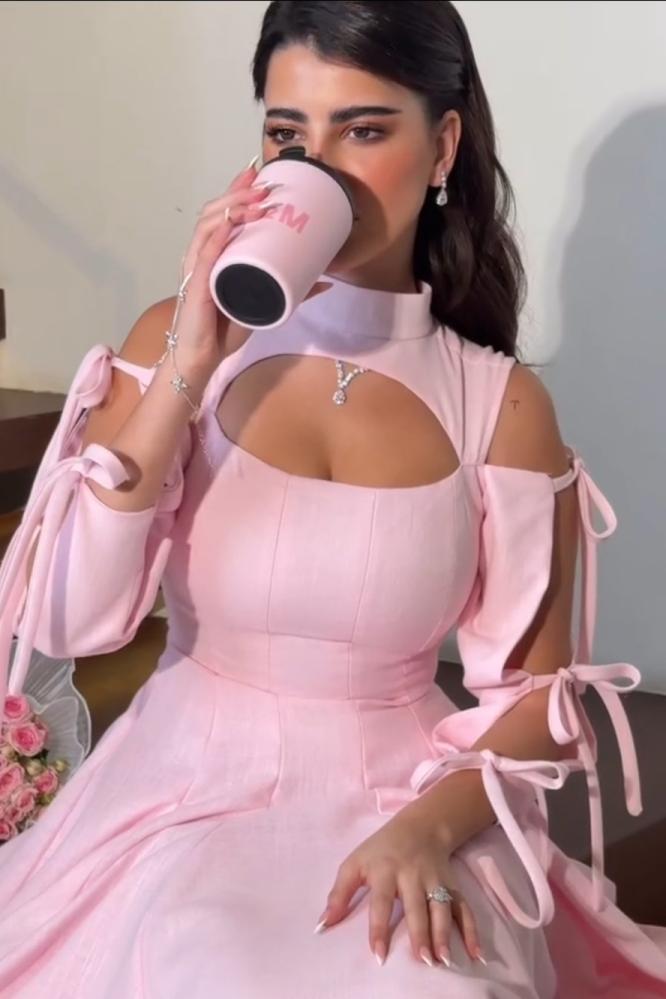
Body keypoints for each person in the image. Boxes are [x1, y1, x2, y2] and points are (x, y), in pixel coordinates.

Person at [0, 1, 664, 995]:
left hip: (404, 800)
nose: (321, 171)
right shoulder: (171, 347)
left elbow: (537, 701)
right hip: (183, 794)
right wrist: (187, 365)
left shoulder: (499, 406)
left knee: (427, 982)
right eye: (288, 135)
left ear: (443, 148)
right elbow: (68, 619)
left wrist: (428, 827)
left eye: (363, 130)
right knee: (200, 962)